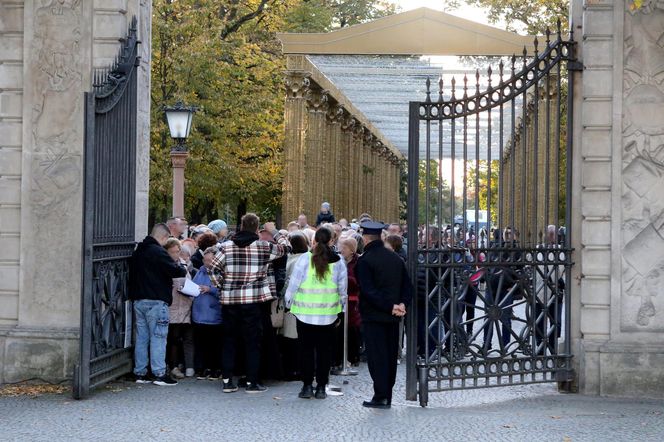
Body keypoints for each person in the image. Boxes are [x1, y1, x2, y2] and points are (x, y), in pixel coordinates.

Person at [209, 213, 291, 394]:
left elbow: (213, 268)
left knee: (229, 341)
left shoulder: (226, 247)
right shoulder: (263, 247)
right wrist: (274, 231)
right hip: (253, 301)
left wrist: (222, 285)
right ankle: (252, 382)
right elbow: (287, 247)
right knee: (253, 342)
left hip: (230, 301)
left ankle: (228, 381)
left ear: (240, 225)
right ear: (257, 227)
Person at [285, 227, 347, 400]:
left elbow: (294, 284)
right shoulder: (338, 261)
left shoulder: (305, 259)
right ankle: (321, 386)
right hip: (328, 314)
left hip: (304, 313)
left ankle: (306, 386)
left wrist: (288, 303)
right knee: (324, 352)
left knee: (305, 351)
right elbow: (343, 289)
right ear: (331, 241)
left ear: (314, 241)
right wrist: (341, 309)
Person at [356, 221, 412, 409]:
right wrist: (401, 304)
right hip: (393, 316)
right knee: (389, 355)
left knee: (377, 356)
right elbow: (407, 286)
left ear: (365, 238)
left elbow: (368, 291)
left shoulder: (365, 260)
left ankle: (380, 395)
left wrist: (391, 306)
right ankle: (386, 393)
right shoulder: (396, 258)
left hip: (374, 315)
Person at [129, 223, 187, 386]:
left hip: (139, 300)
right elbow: (176, 271)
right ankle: (159, 373)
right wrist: (181, 267)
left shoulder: (139, 251)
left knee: (142, 338)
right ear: (163, 237)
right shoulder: (158, 252)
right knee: (158, 338)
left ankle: (140, 372)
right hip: (156, 300)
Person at [279, 232, 309, 380]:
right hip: (306, 304)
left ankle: (293, 370)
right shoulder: (309, 259)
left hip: (293, 304)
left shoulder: (293, 261)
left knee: (292, 338)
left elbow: (287, 283)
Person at [164, 238, 195, 379]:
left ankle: (181, 365)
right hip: (172, 305)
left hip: (185, 305)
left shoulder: (183, 264)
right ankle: (172, 365)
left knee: (182, 337)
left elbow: (188, 280)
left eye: (178, 251)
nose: (176, 254)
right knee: (173, 338)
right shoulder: (166, 265)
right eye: (173, 252)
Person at [192, 247, 223, 380]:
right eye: (205, 260)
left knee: (214, 344)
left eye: (210, 260)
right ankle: (203, 368)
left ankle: (215, 368)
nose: (207, 262)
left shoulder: (220, 273)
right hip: (199, 314)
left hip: (214, 314)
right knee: (201, 344)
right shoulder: (200, 272)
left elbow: (223, 291)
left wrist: (210, 289)